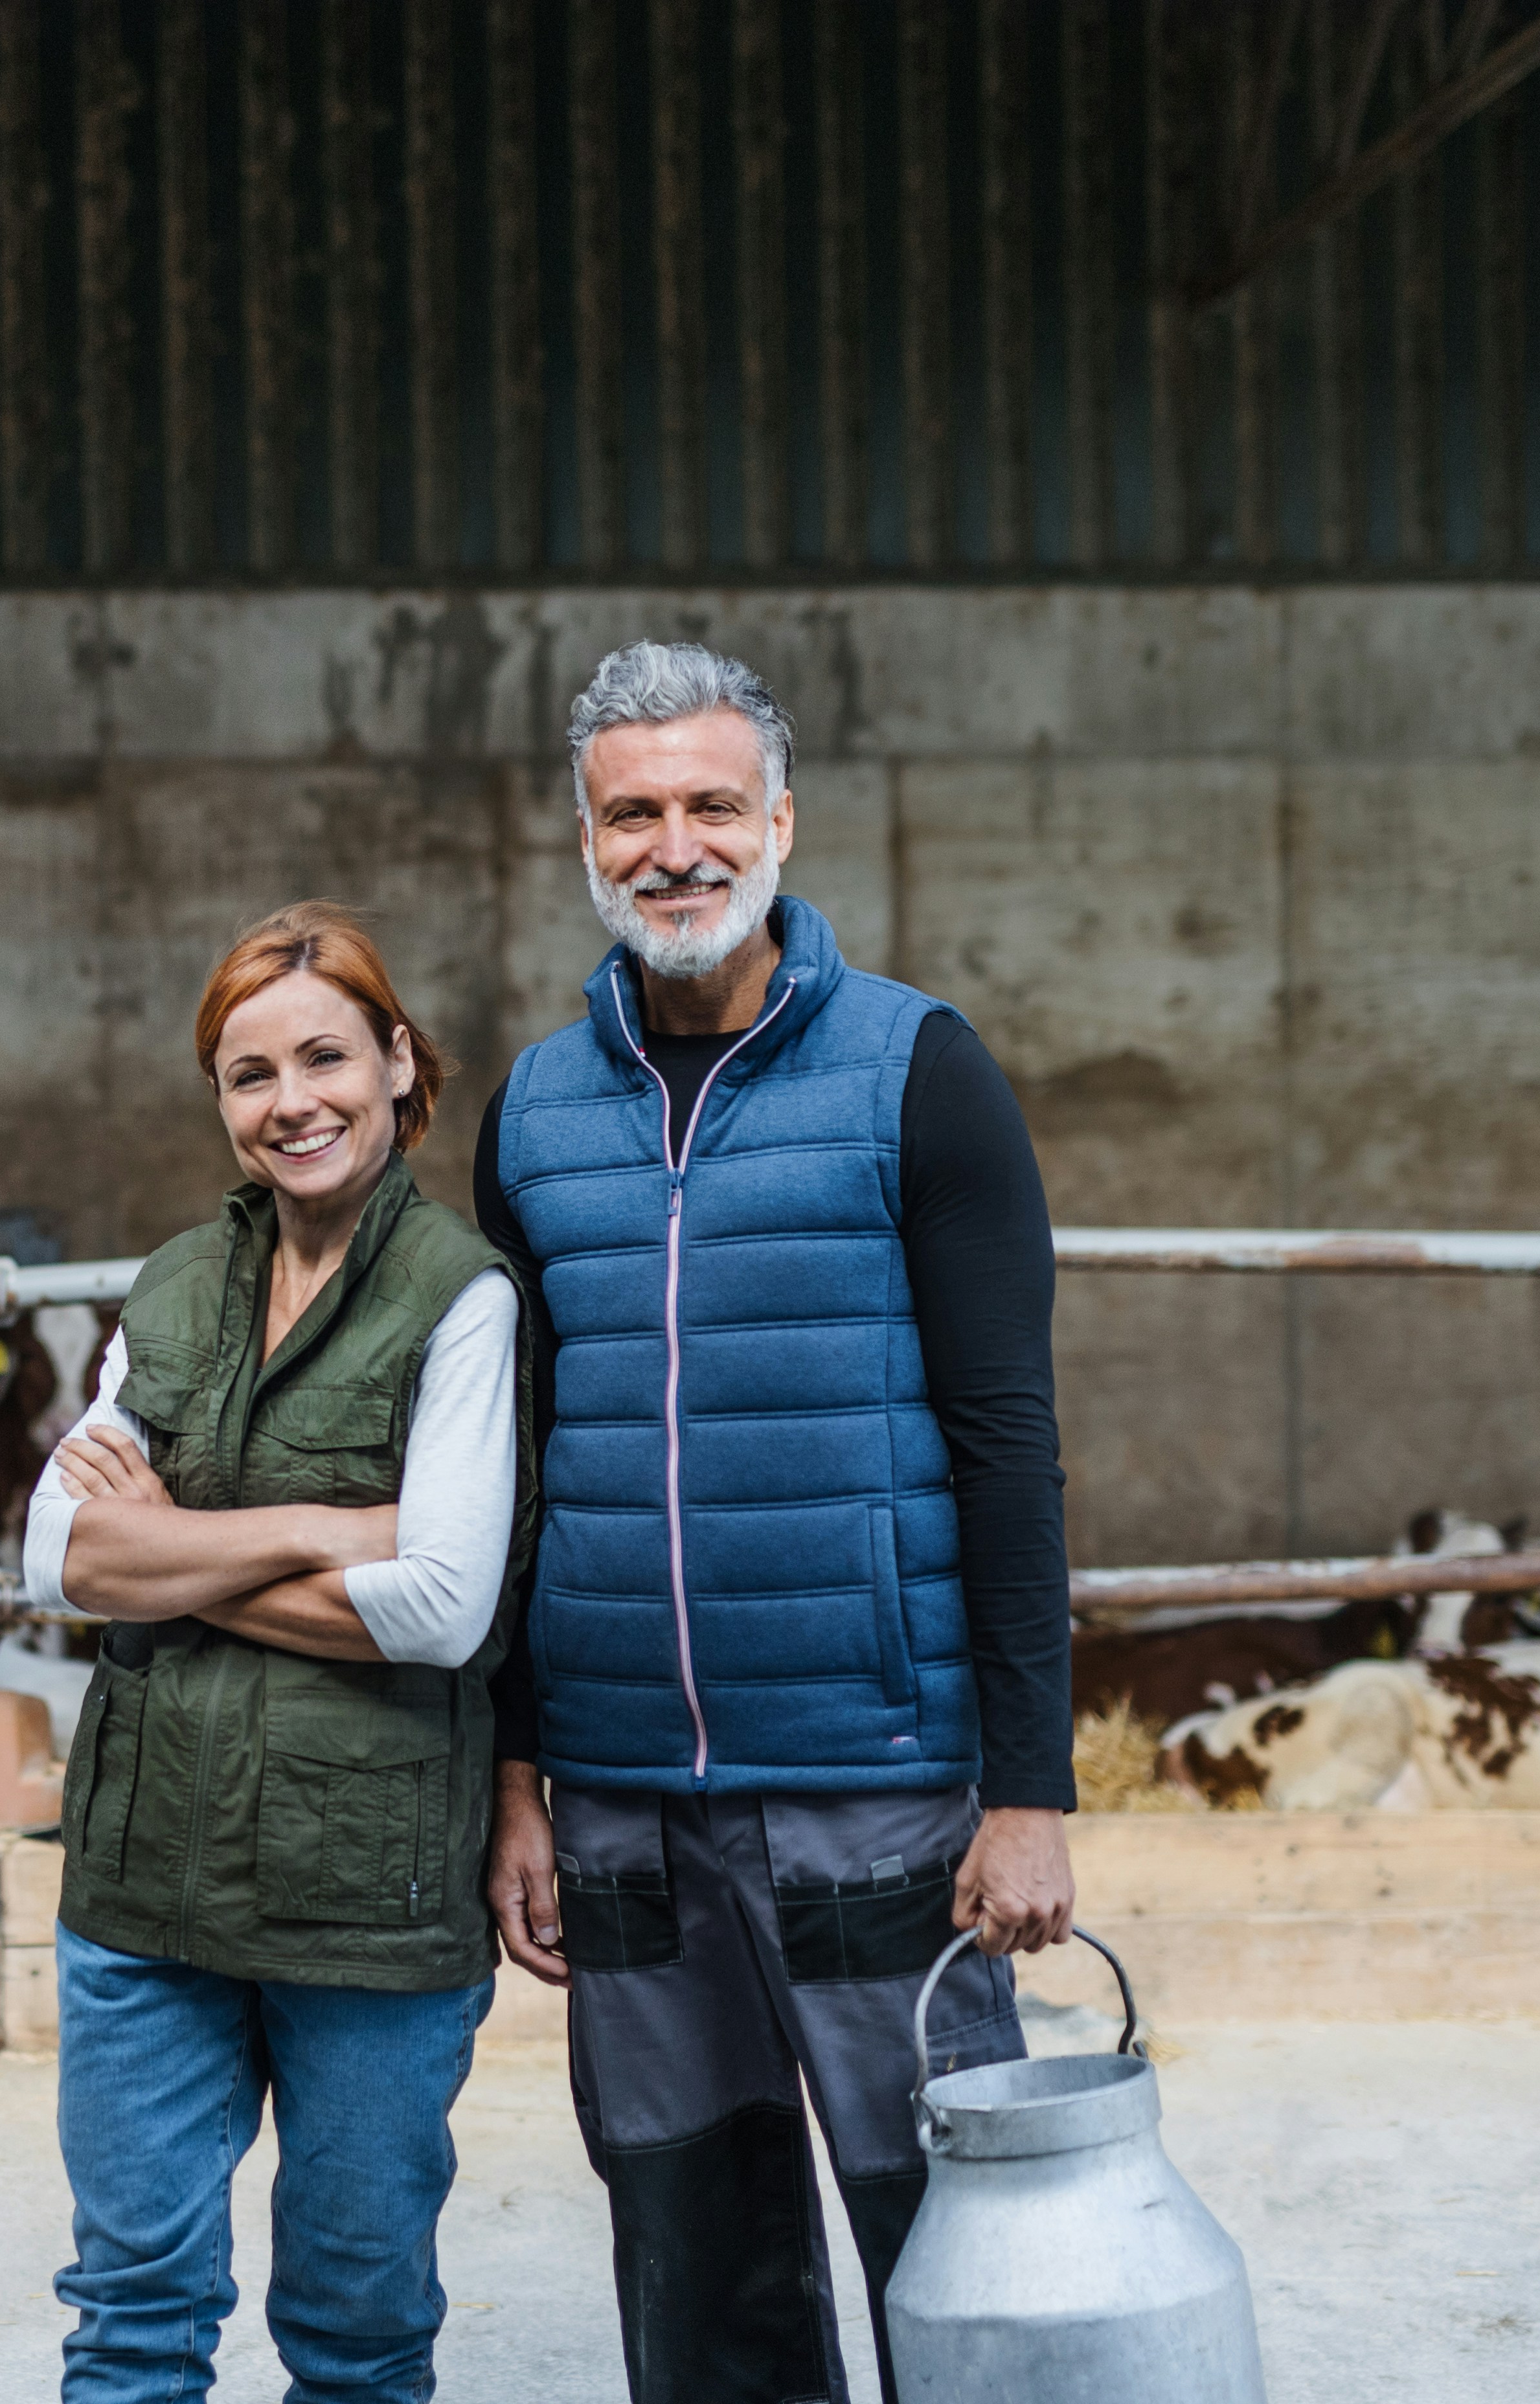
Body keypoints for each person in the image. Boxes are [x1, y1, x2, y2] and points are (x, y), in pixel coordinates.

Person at [473, 641, 1078, 2404]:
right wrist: (517, 1777)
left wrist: (1030, 1791)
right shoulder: (533, 1113)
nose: (676, 846)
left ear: (782, 821)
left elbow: (1009, 1445)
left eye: (712, 804)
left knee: (948, 2244)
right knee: (694, 2251)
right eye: (633, 812)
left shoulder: (917, 1071)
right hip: (623, 1804)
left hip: (875, 1786)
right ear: (586, 839)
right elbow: (516, 1470)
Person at [25, 900, 529, 2404]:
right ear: (221, 1099)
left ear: (397, 1064)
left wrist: (171, 1554)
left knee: (358, 2331)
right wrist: (322, 1526)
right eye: (250, 1073)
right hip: (145, 1884)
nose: (291, 1100)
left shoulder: (464, 1296)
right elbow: (57, 1555)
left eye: (325, 1057)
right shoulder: (178, 1283)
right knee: (132, 2313)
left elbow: (444, 1608)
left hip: (367, 1899)